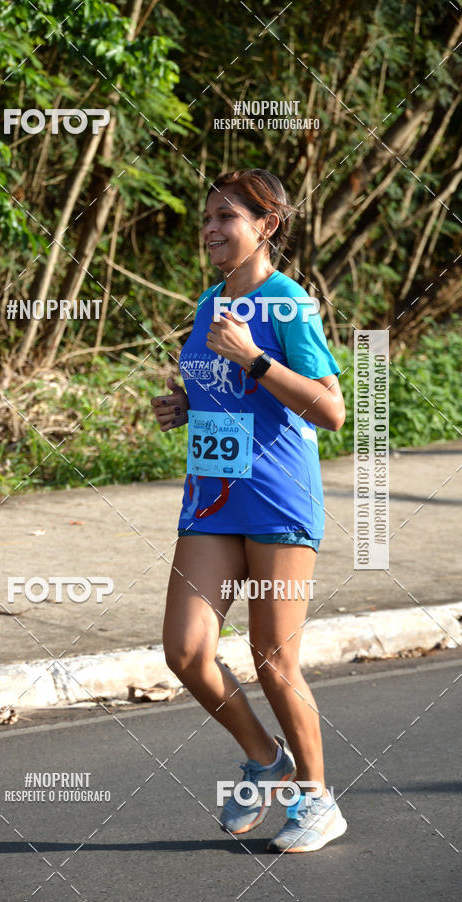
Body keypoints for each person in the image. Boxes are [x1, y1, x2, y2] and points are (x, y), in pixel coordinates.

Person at [151, 169, 348, 852]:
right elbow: (220, 389)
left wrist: (256, 358)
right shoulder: (210, 301)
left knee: (272, 658)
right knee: (185, 650)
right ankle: (266, 759)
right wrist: (187, 405)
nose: (210, 228)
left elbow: (331, 411)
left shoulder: (289, 304)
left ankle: (318, 800)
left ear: (266, 227)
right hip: (212, 497)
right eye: (206, 216)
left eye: (226, 217)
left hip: (277, 501)